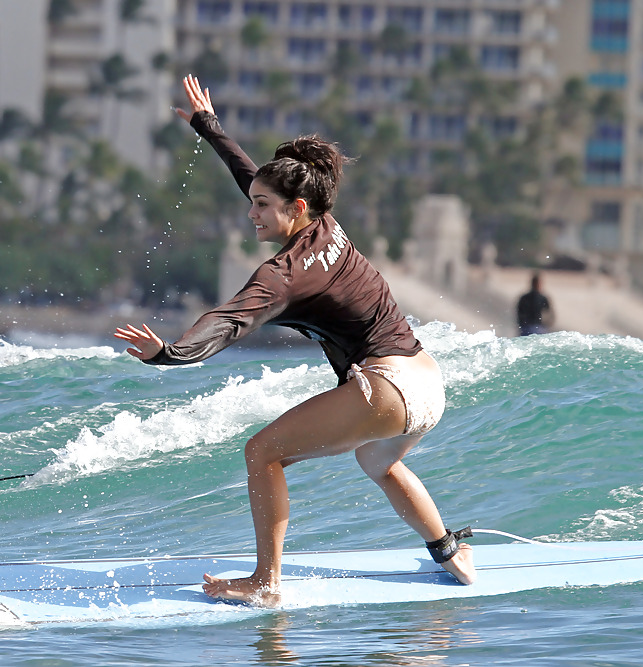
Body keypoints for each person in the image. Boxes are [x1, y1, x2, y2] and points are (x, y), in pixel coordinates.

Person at [114, 75, 475, 607]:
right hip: (426, 383)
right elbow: (252, 177)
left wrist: (171, 354)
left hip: (389, 387)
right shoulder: (327, 225)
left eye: (262, 205)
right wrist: (209, 128)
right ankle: (448, 551)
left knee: (262, 452)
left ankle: (266, 582)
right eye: (254, 202)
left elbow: (230, 320)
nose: (252, 210)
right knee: (378, 462)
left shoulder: (285, 274)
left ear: (295, 208)